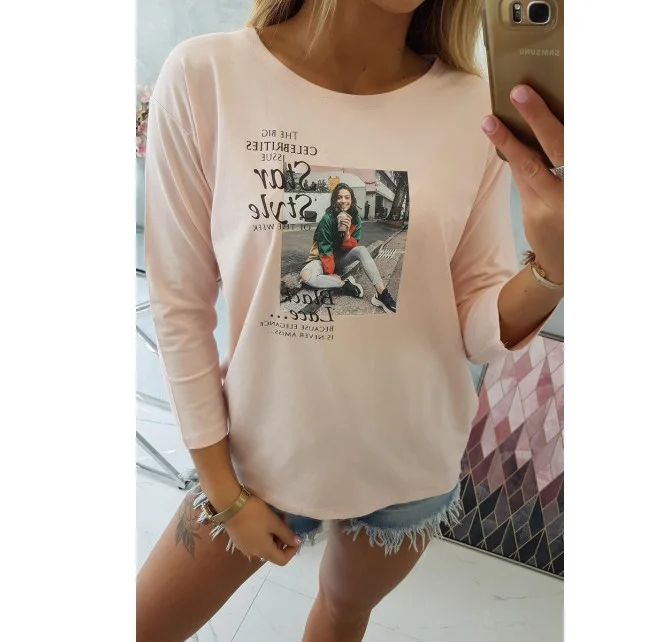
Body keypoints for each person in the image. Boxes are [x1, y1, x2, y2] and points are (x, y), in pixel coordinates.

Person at [138, 1, 564, 641]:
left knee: (342, 614)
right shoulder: (207, 77)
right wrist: (224, 491)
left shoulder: (472, 108)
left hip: (408, 462)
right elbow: (179, 304)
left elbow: (475, 329)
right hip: (259, 458)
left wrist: (553, 268)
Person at [300, 182, 397, 313]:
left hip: (339, 258)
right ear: (335, 200)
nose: (343, 201)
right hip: (321, 259)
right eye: (339, 197)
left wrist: (346, 234)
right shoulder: (327, 219)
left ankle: (381, 293)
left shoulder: (356, 219)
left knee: (361, 250)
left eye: (347, 197)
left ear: (352, 200)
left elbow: (352, 246)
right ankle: (345, 285)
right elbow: (324, 249)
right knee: (306, 275)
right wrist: (330, 274)